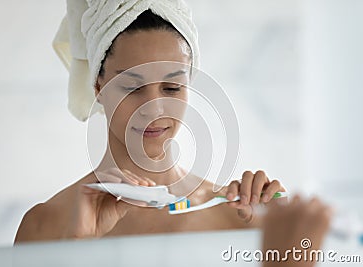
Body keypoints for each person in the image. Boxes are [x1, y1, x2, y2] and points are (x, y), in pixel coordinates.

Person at [14, 1, 285, 243]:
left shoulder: (239, 215)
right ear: (98, 88)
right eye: (132, 88)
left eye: (171, 88)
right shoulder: (44, 227)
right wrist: (77, 248)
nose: (153, 109)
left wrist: (287, 241)